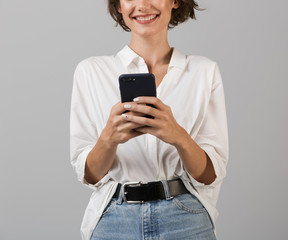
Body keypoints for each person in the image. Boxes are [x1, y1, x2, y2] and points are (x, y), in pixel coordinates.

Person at [70, 0, 228, 239]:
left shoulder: (203, 72)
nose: (142, 5)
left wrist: (179, 137)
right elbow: (89, 176)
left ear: (175, 2)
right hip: (114, 221)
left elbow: (209, 176)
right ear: (119, 6)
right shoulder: (91, 72)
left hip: (186, 219)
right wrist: (108, 140)